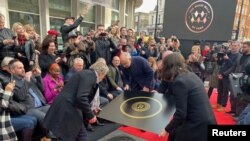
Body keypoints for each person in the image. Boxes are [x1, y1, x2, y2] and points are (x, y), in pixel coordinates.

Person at [43, 61, 109, 140]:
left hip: (68, 106)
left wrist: (91, 109)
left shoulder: (86, 73)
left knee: (77, 135)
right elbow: (81, 97)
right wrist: (90, 115)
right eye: (104, 75)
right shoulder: (91, 76)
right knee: (79, 136)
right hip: (69, 107)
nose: (103, 77)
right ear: (101, 72)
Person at [158, 53, 216, 141]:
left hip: (196, 124)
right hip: (205, 120)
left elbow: (181, 114)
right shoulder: (190, 74)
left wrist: (166, 129)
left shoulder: (179, 82)